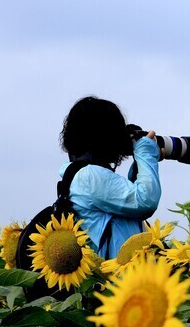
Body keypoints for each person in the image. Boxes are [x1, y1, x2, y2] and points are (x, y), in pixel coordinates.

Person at [59, 96, 162, 259]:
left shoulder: (78, 175)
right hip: (117, 279)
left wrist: (139, 165)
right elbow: (145, 201)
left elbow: (126, 209)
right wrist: (145, 152)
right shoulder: (89, 176)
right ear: (106, 136)